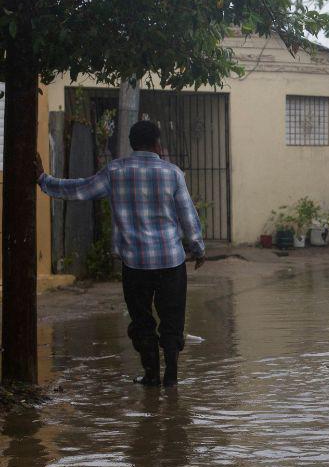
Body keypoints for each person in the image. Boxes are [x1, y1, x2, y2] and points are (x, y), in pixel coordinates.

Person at [34, 120, 206, 387]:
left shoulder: (115, 171)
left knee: (141, 321)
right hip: (171, 262)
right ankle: (171, 378)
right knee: (172, 320)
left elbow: (80, 189)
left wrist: (43, 180)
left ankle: (151, 375)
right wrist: (197, 247)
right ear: (158, 145)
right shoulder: (172, 173)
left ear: (132, 144)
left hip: (135, 263)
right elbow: (187, 215)